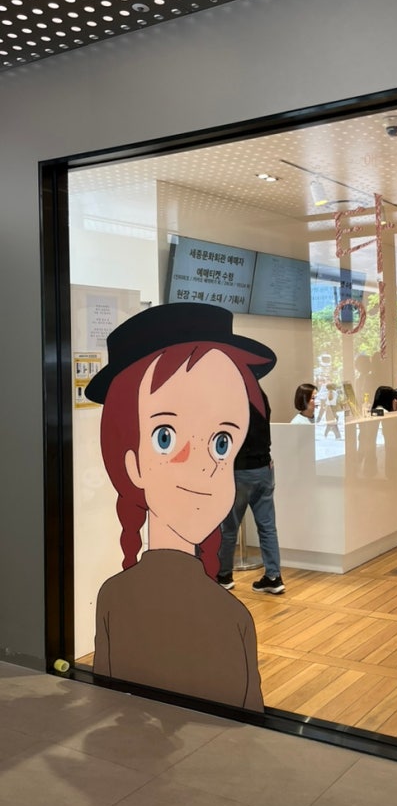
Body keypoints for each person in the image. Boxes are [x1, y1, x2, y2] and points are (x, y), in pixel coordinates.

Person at [85, 302, 275, 711]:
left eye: (221, 443)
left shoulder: (113, 597)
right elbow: (248, 729)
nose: (204, 467)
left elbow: (109, 704)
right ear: (133, 463)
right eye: (166, 437)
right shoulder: (230, 618)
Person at [217, 383, 285, 596]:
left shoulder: (231, 398)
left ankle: (224, 575)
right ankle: (273, 576)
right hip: (264, 468)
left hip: (239, 471)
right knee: (267, 527)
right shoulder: (261, 396)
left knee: (229, 528)